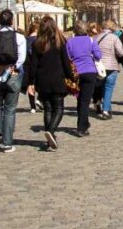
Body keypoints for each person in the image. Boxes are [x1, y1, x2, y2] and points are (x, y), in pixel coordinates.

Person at [26, 16, 72, 151]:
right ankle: (51, 131)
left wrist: (31, 82)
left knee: (47, 109)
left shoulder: (36, 43)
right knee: (58, 109)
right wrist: (71, 76)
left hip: (43, 80)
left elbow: (33, 65)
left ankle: (49, 138)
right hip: (57, 79)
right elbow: (66, 62)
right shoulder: (60, 42)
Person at [0, 9, 27, 153]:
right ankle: (7, 143)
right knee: (10, 109)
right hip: (12, 74)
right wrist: (14, 67)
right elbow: (22, 58)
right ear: (12, 21)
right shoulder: (19, 37)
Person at [66, 21, 102, 137]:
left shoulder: (70, 42)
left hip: (76, 73)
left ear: (75, 30)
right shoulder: (91, 40)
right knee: (85, 100)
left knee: (80, 99)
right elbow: (98, 56)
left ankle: (83, 124)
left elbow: (67, 58)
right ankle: (82, 127)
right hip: (89, 71)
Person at [93, 19, 123, 120]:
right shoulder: (114, 38)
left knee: (102, 87)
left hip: (99, 67)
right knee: (109, 88)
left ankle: (106, 107)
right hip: (111, 66)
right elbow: (121, 53)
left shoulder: (95, 37)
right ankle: (106, 110)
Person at [23, 21, 43, 114]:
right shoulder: (39, 39)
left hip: (27, 64)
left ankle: (32, 107)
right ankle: (39, 99)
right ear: (36, 29)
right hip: (38, 63)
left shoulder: (25, 39)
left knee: (30, 85)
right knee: (42, 83)